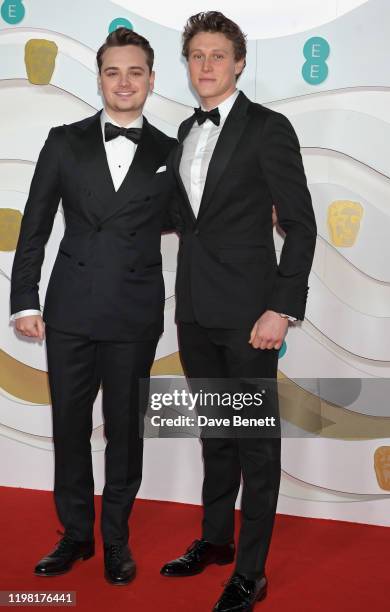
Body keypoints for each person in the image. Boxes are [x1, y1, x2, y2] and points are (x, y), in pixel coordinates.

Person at [160, 11, 317, 611]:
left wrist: (282, 309)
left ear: (240, 62)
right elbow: (183, 219)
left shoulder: (268, 128)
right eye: (196, 55)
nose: (206, 66)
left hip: (252, 315)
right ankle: (216, 541)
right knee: (217, 433)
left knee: (256, 442)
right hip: (195, 309)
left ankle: (251, 572)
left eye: (217, 55)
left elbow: (300, 228)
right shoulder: (182, 131)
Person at [10, 27, 176, 585]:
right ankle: (76, 536)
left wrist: (259, 214)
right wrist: (23, 300)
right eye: (113, 71)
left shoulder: (171, 152)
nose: (124, 82)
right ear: (100, 78)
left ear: (152, 79)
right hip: (71, 309)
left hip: (134, 311)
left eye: (135, 72)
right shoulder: (63, 141)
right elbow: (33, 226)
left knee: (125, 433)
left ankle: (117, 541)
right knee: (70, 428)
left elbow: (198, 223)